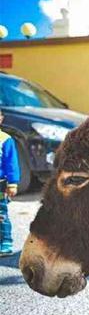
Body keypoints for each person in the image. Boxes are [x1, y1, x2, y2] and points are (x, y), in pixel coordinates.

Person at [0, 110, 20, 257]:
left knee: (1, 214)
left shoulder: (5, 139)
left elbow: (11, 163)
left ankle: (5, 242)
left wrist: (12, 183)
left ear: (1, 119)